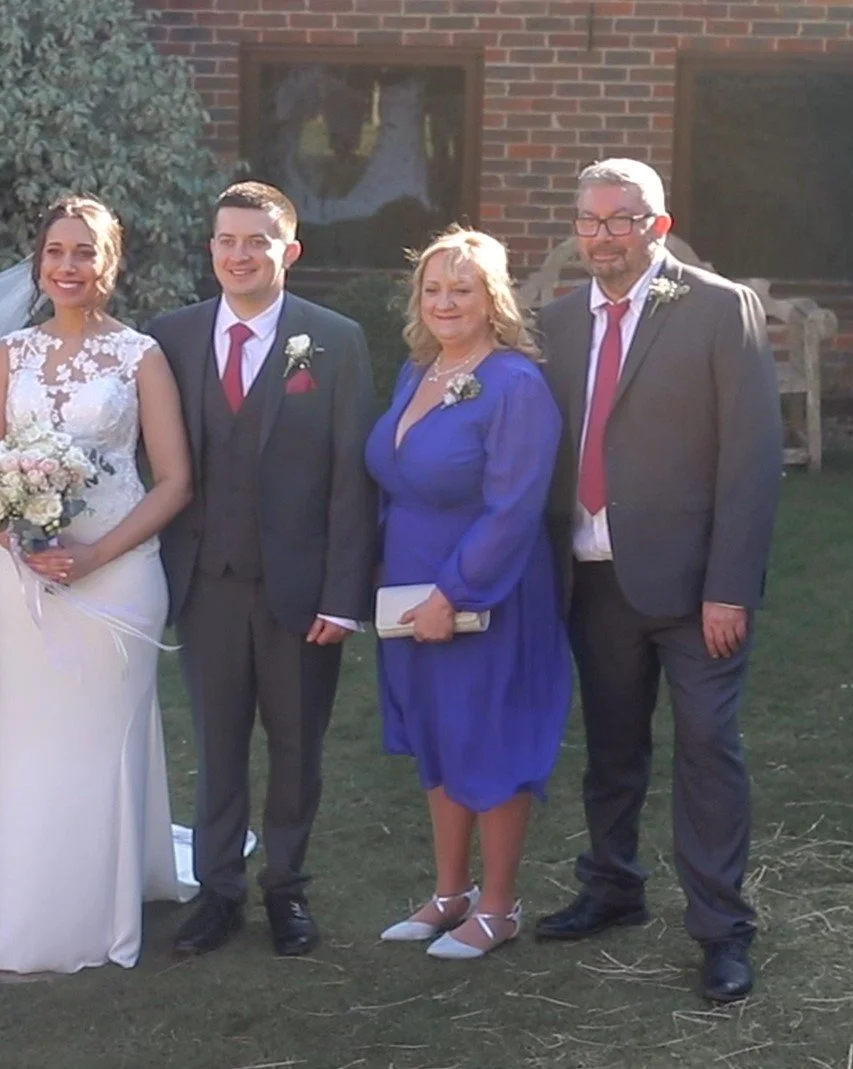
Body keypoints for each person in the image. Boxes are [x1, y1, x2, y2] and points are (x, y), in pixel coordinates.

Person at [0, 195, 199, 974]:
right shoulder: (14, 355)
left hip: (118, 574)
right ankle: (23, 889)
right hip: (22, 578)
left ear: (109, 264)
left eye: (84, 252)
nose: (68, 266)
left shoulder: (140, 357)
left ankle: (102, 897)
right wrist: (14, 536)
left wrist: (93, 557)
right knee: (31, 729)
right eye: (56, 251)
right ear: (40, 262)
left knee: (99, 734)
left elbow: (174, 481)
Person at [532, 158, 784, 1003]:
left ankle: (722, 929)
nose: (602, 235)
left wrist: (731, 585)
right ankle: (612, 885)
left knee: (708, 747)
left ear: (658, 225)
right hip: (593, 576)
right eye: (589, 220)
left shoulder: (717, 308)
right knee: (611, 747)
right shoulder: (557, 322)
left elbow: (750, 462)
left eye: (621, 219)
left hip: (692, 587)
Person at [144, 181, 377, 958]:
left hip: (302, 589)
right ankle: (217, 889)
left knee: (295, 744)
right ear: (210, 249)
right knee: (216, 744)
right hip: (205, 579)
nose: (240, 255)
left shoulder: (334, 340)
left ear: (290, 251)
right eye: (226, 241)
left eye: (257, 242)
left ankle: (286, 887)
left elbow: (352, 476)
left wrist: (345, 597)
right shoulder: (170, 338)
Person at [366, 228, 567, 960]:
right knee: (437, 732)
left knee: (490, 734)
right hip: (410, 585)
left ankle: (498, 904)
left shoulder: (516, 383)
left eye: (463, 288)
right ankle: (448, 893)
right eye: (434, 289)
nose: (446, 302)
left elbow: (513, 506)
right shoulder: (415, 372)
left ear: (493, 299)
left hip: (489, 587)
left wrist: (454, 592)